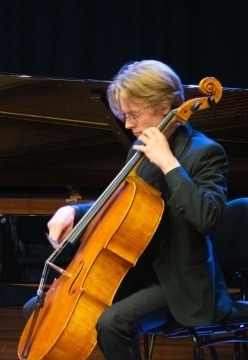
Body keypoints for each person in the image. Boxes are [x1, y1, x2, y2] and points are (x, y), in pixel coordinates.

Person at [25, 60, 232, 359]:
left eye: (133, 114)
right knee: (38, 310)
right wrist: (74, 212)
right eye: (124, 115)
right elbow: (121, 204)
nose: (127, 124)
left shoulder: (206, 153)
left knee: (113, 323)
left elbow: (207, 218)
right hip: (134, 274)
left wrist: (169, 164)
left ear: (164, 106)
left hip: (179, 285)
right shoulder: (139, 151)